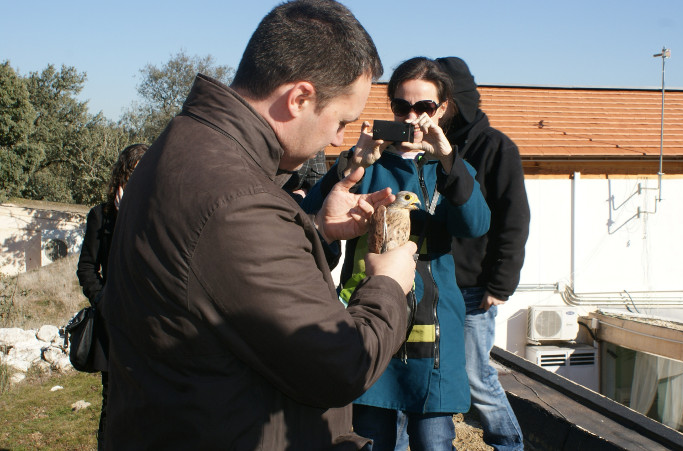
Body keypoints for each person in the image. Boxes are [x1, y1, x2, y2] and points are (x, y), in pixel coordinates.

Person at [101, 1, 418, 449]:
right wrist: (387, 283)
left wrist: (314, 228)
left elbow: (220, 280)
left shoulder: (188, 144)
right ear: (300, 98)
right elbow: (338, 366)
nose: (338, 140)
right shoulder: (238, 204)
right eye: (341, 121)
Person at [305, 57, 491, 450]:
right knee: (372, 438)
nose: (412, 116)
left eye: (423, 107)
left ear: (441, 110)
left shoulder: (453, 168)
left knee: (434, 441)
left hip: (433, 327)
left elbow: (475, 225)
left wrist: (447, 160)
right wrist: (353, 164)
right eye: (401, 106)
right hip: (372, 317)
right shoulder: (366, 163)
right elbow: (310, 220)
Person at [437, 56, 530, 450]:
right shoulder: (428, 145)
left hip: (476, 287)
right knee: (428, 373)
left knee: (478, 377)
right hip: (432, 283)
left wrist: (501, 284)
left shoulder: (496, 147)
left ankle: (509, 444)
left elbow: (515, 219)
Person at [75, 142, 148, 450]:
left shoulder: (154, 214)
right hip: (112, 328)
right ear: (122, 176)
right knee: (112, 407)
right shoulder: (101, 217)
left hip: (148, 328)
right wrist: (104, 302)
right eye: (132, 175)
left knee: (147, 408)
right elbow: (87, 268)